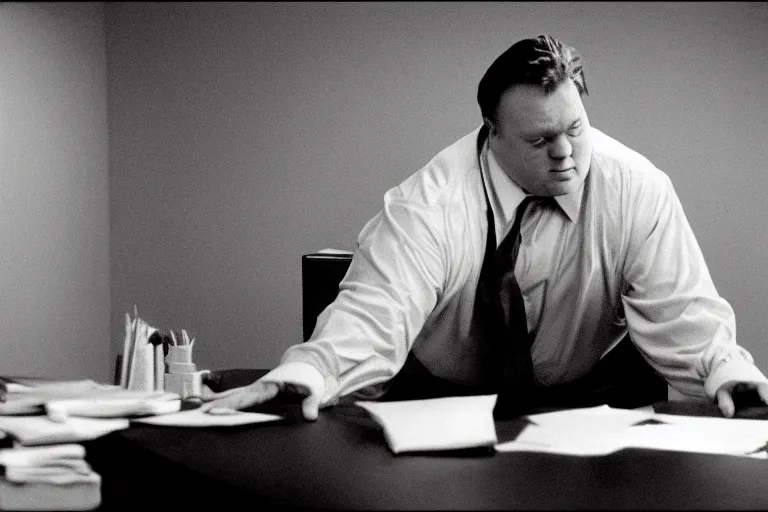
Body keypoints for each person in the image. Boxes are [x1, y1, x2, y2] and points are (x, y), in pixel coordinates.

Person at [202, 34, 768, 420]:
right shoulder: (430, 204)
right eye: (541, 140)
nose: (567, 153)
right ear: (491, 133)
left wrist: (732, 378)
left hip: (586, 399)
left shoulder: (636, 190)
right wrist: (304, 376)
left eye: (576, 128)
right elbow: (375, 315)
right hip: (439, 397)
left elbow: (685, 314)